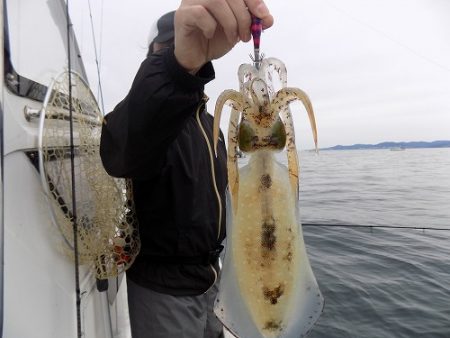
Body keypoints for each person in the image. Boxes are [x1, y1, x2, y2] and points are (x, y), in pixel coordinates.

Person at [100, 1, 273, 337]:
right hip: (163, 288)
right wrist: (176, 67)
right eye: (166, 48)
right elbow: (122, 151)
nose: (177, 49)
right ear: (153, 58)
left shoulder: (214, 126)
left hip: (212, 278)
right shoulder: (145, 120)